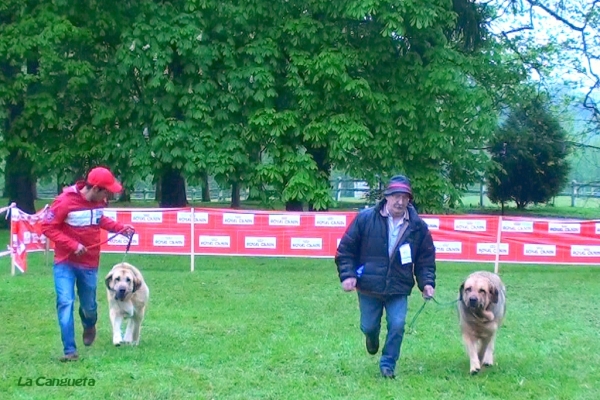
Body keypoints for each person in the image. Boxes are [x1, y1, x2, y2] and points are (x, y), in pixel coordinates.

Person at [335, 174, 436, 379]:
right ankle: (371, 338)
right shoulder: (365, 219)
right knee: (369, 325)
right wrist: (348, 275)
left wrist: (426, 283)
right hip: (369, 286)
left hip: (398, 287)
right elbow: (345, 250)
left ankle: (388, 364)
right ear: (386, 197)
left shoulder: (418, 227)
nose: (399, 201)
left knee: (398, 324)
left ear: (409, 200)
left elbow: (425, 259)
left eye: (404, 197)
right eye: (395, 196)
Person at [41, 166, 134, 362]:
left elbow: (100, 220)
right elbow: (47, 227)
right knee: (65, 302)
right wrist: (72, 244)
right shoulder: (65, 201)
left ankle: (89, 324)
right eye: (106, 190)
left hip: (89, 263)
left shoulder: (99, 202)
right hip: (64, 262)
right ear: (96, 188)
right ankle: (70, 351)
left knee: (89, 307)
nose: (108, 194)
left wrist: (120, 228)